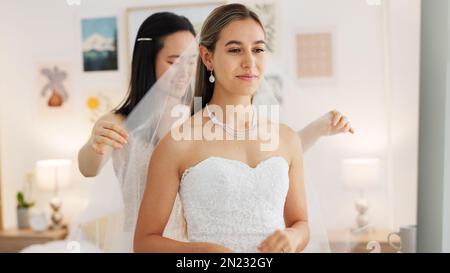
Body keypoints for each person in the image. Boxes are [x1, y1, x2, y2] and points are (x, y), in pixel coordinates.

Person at [133, 3, 346, 253]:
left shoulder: (286, 139)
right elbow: (144, 243)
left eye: (258, 50)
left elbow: (301, 224)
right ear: (207, 57)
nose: (249, 62)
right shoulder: (179, 142)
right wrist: (203, 252)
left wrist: (292, 237)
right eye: (235, 50)